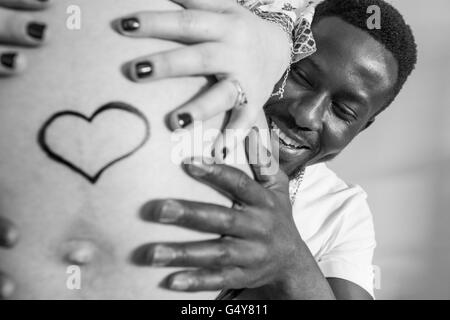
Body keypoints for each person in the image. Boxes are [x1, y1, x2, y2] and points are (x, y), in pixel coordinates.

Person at [1, 0, 418, 299]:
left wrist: (289, 261)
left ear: (364, 127)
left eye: (344, 111)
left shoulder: (340, 211)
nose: (307, 115)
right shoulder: (220, 71)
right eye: (301, 78)